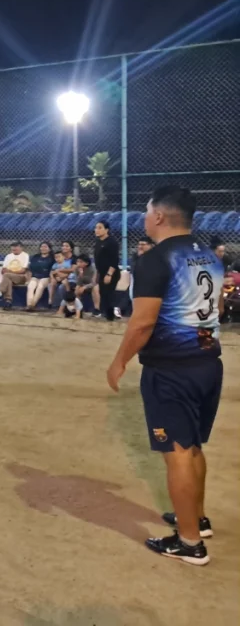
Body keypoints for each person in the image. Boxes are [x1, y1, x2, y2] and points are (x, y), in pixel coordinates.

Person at [106, 186, 224, 566]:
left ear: (158, 216)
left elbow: (143, 323)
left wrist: (119, 361)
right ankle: (197, 519)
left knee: (177, 453)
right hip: (208, 363)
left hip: (172, 370)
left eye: (147, 210)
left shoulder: (155, 260)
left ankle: (190, 543)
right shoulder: (209, 256)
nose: (144, 217)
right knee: (193, 446)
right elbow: (217, 309)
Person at [93, 220, 121, 320]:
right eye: (96, 228)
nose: (97, 230)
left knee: (109, 294)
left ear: (107, 230)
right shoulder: (98, 242)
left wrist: (109, 274)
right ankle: (107, 315)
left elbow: (114, 260)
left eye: (100, 228)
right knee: (103, 294)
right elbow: (97, 260)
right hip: (101, 272)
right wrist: (97, 274)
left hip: (111, 273)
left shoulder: (112, 242)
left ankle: (112, 315)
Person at [0, 241, 30, 310]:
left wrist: (11, 272)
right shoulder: (8, 256)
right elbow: (3, 270)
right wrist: (9, 273)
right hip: (10, 277)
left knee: (7, 275)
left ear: (21, 248)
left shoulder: (25, 255)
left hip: (21, 277)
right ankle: (8, 302)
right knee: (8, 280)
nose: (14, 249)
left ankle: (0, 291)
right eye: (13, 248)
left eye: (16, 248)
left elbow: (23, 271)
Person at [25, 242, 54, 311]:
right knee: (30, 286)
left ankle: (33, 305)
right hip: (35, 276)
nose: (43, 248)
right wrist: (28, 279)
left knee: (40, 286)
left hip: (46, 277)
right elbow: (30, 269)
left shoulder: (52, 258)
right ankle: (29, 305)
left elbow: (52, 270)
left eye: (45, 247)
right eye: (42, 246)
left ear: (49, 249)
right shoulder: (36, 257)